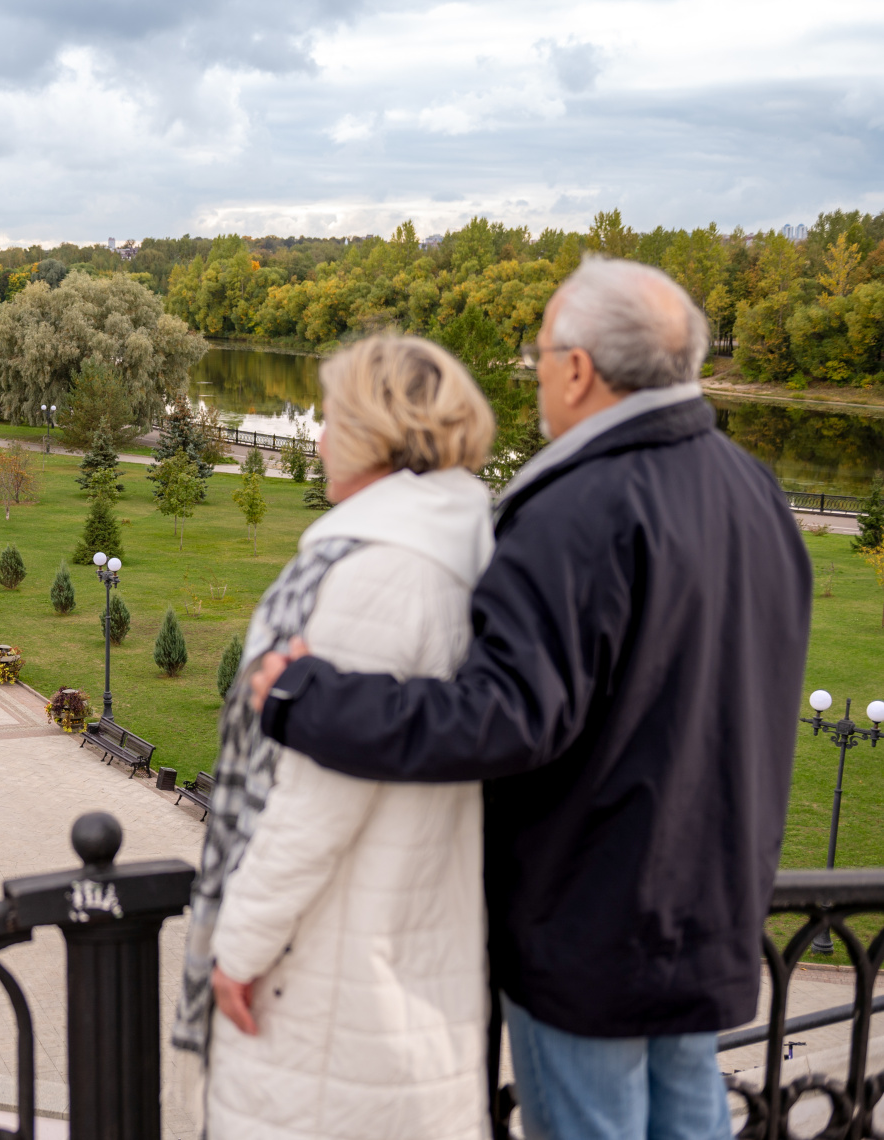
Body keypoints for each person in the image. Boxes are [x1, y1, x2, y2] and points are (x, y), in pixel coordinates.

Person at [249, 257, 811, 1140]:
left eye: (542, 352)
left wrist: (307, 697)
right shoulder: (753, 489)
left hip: (589, 927)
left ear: (580, 369)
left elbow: (504, 717)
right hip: (707, 909)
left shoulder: (583, 506)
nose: (538, 371)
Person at [175, 336, 497, 1140]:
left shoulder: (384, 568)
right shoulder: (444, 548)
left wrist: (239, 946)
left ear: (370, 434)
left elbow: (318, 796)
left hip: (330, 975)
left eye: (328, 420)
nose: (317, 438)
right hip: (396, 942)